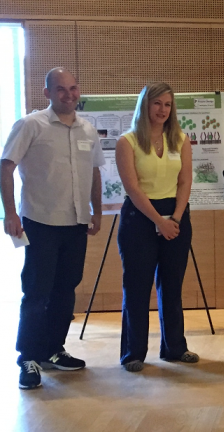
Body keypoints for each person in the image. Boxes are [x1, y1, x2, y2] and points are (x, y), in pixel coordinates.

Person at [2, 68, 103, 389]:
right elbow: (6, 166)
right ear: (47, 93)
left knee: (65, 290)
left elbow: (96, 173)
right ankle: (28, 357)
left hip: (75, 224)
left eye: (73, 88)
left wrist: (96, 211)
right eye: (60, 89)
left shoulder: (88, 129)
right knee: (36, 292)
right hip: (39, 223)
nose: (68, 94)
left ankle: (52, 350)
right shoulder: (31, 125)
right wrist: (9, 213)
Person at [116, 82, 199, 372]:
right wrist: (159, 221)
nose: (163, 110)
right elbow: (133, 188)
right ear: (145, 105)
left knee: (172, 286)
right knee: (137, 288)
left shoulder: (180, 139)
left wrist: (174, 218)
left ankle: (175, 348)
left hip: (175, 217)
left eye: (167, 104)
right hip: (140, 218)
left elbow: (186, 181)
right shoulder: (127, 141)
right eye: (157, 103)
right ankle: (133, 353)